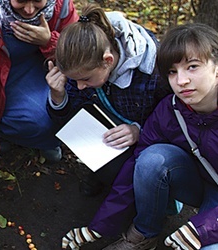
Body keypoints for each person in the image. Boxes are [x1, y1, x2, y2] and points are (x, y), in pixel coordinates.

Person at [101, 23, 218, 249]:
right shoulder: (171, 109)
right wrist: (101, 225)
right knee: (151, 159)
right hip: (199, 180)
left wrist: (203, 229)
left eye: (193, 67)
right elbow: (138, 161)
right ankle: (144, 234)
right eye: (172, 71)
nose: (181, 81)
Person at [46, 4, 171, 248]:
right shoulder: (84, 60)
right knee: (104, 163)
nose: (80, 86)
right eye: (75, 80)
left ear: (108, 60)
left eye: (85, 80)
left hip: (147, 136)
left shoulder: (153, 69)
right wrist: (58, 96)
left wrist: (139, 130)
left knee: (127, 173)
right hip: (109, 130)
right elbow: (69, 118)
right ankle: (104, 175)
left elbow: (172, 117)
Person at [0, 0, 79, 162]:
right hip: (2, 79)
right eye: (20, 1)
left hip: (48, 71)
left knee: (72, 105)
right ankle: (17, 135)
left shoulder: (62, 7)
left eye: (38, 1)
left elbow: (79, 52)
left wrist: (49, 41)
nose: (29, 10)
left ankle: (48, 139)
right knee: (35, 120)